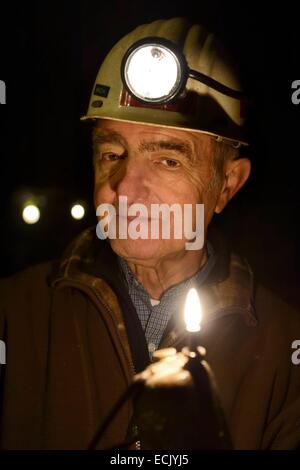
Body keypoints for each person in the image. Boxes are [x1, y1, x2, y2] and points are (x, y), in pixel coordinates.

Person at [0, 17, 300, 450]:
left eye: (168, 161)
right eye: (112, 153)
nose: (125, 187)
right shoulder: (14, 315)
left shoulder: (284, 356)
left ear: (228, 184)